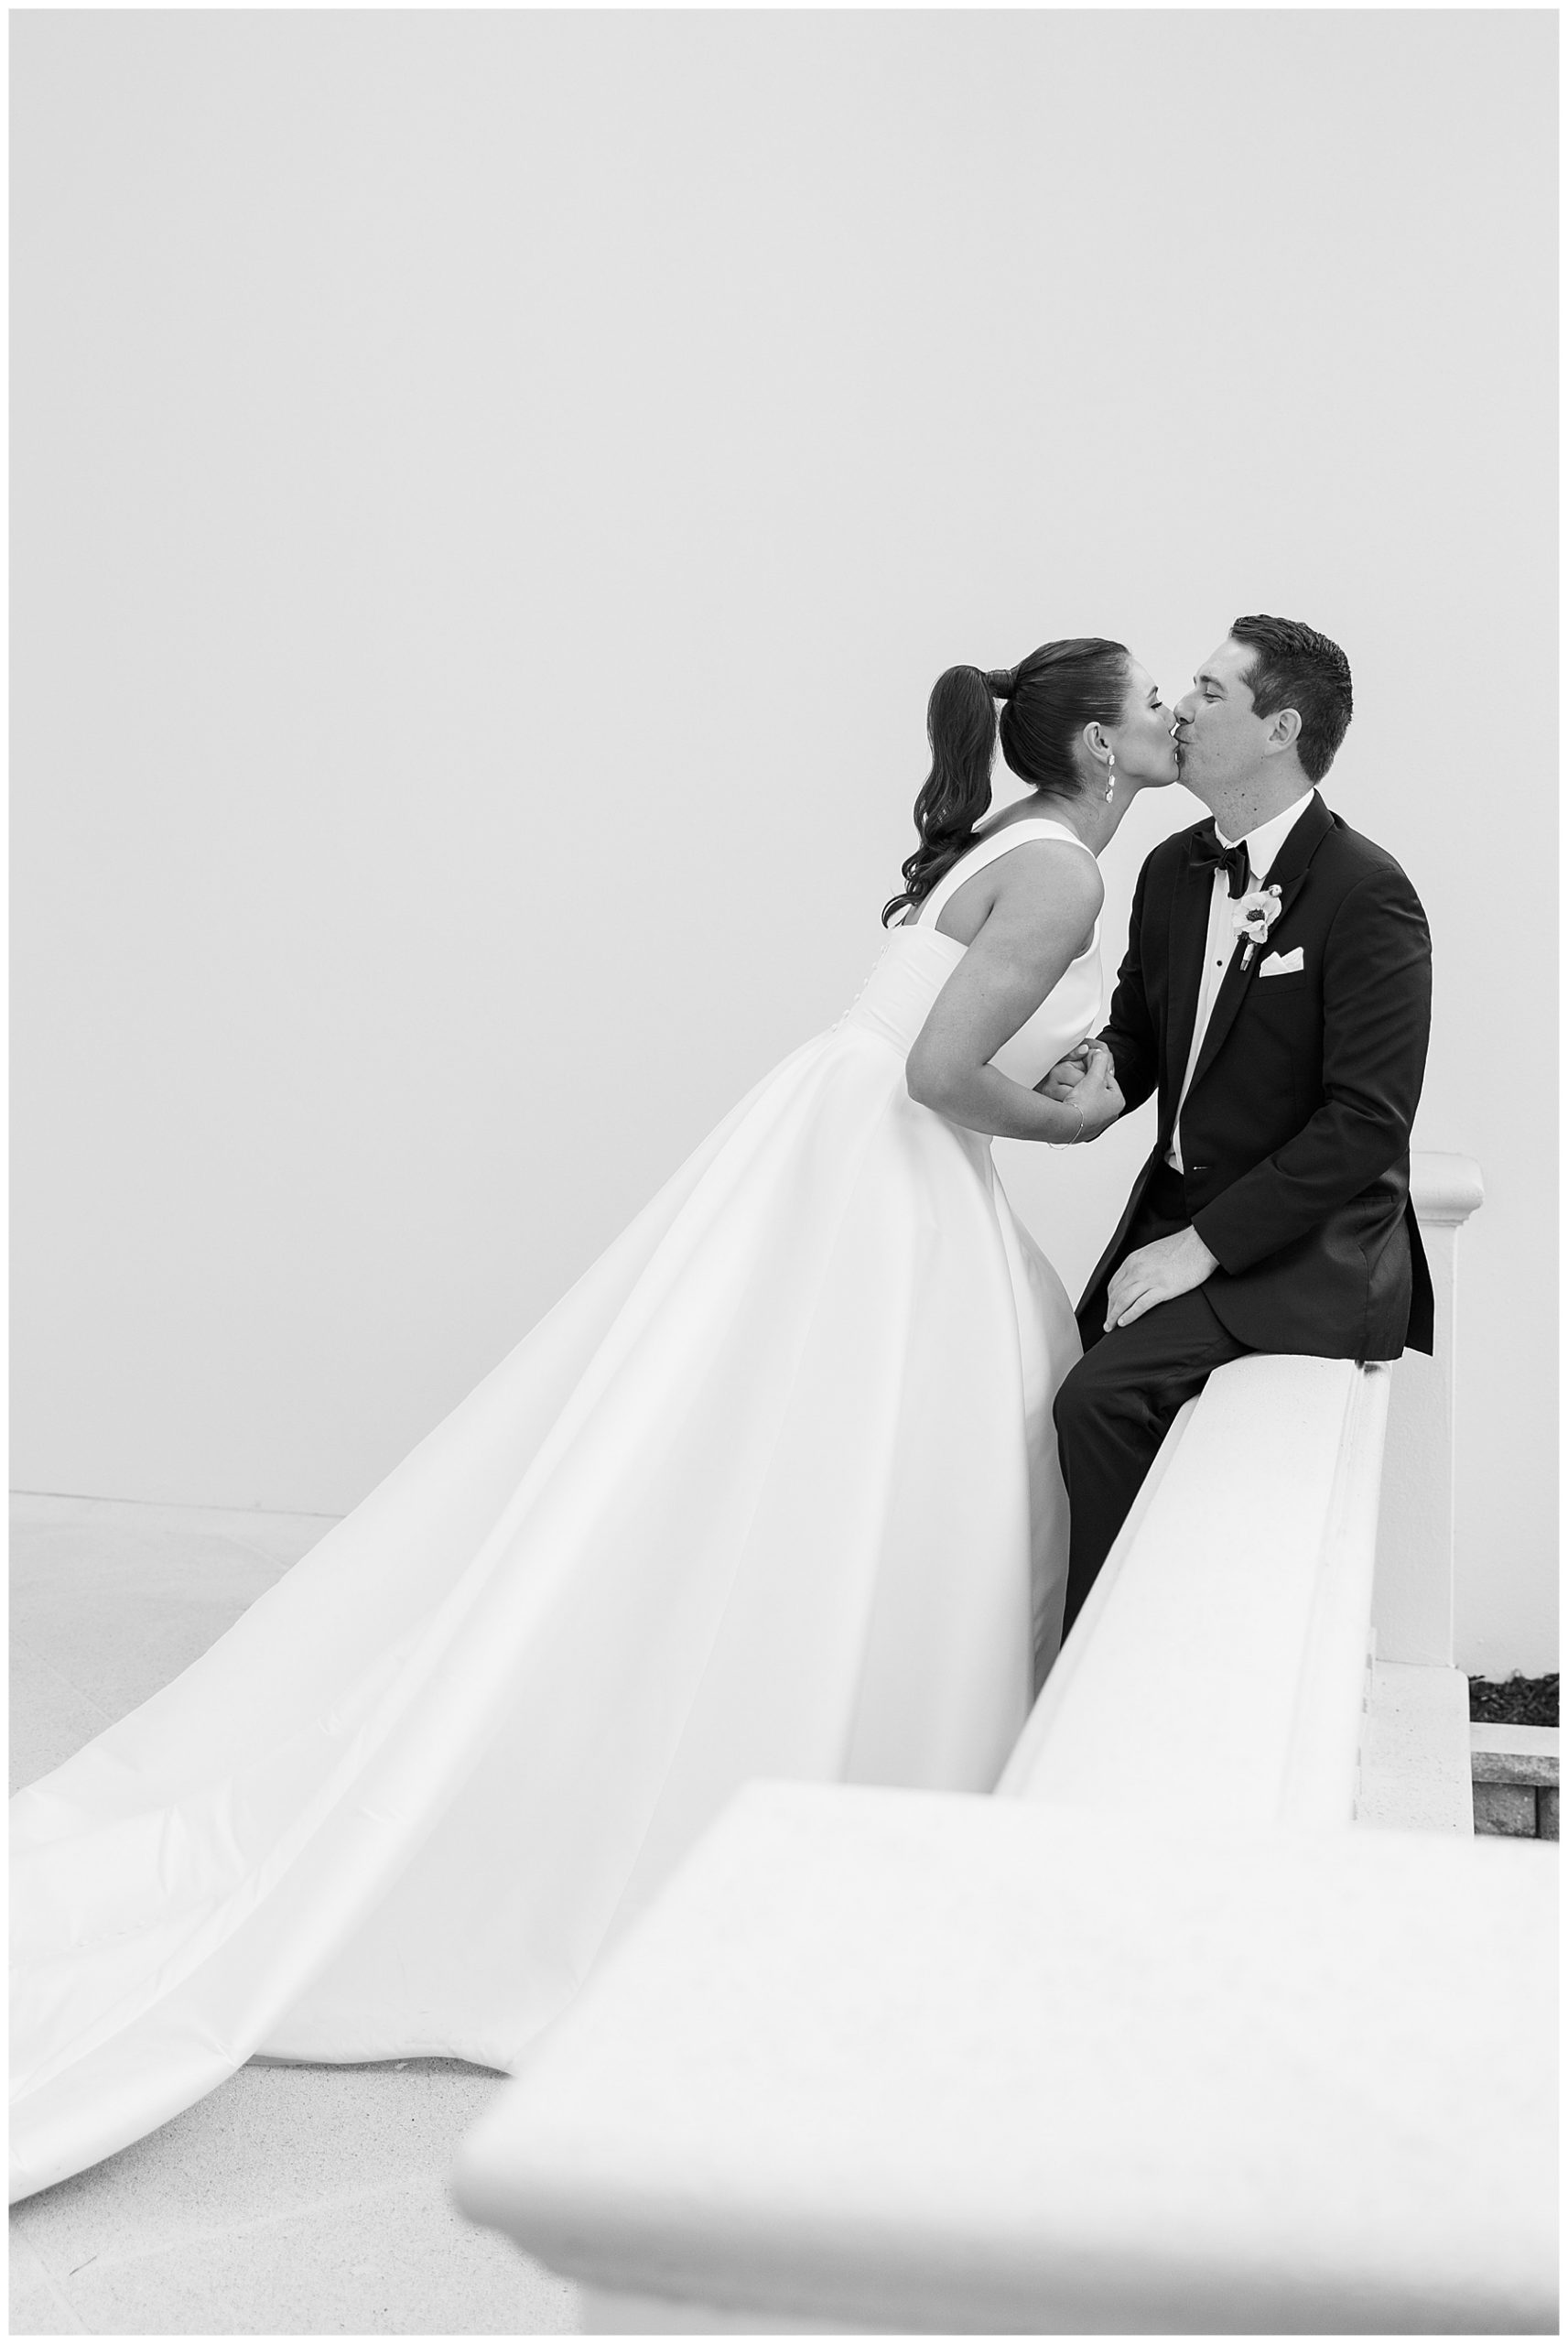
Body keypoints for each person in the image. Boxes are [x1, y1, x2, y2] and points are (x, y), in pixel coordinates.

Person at [10, 635, 1177, 2204]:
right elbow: (936, 1070)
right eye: (1153, 701)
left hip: (828, 1147)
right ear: (1099, 754)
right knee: (904, 1444)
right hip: (875, 1169)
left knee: (812, 1445)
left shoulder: (1014, 836)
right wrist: (1079, 1110)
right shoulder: (1069, 877)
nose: (1173, 714)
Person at [1045, 614, 1433, 1640]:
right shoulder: (1172, 868)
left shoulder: (1368, 893)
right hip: (1175, 1216)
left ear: (1280, 729)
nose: (1181, 706)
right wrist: (1080, 1083)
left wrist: (1203, 1247)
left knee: (1098, 1402)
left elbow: (1368, 1122)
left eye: (1212, 692)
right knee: (1046, 1372)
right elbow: (1140, 1035)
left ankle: (1110, 1668)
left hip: (1304, 1248)